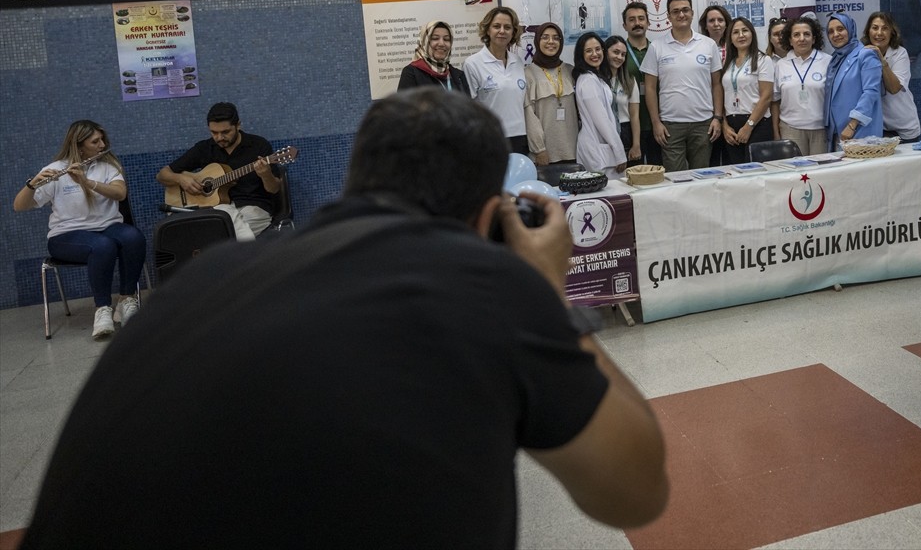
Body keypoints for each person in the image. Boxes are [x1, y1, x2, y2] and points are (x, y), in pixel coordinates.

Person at [19, 89, 669, 548]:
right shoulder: (488, 288)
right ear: (486, 213)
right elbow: (638, 495)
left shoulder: (203, 278)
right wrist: (545, 293)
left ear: (358, 179)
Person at [14, 120, 146, 340]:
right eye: (95, 141)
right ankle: (103, 309)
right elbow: (19, 206)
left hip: (107, 227)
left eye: (102, 139)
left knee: (133, 237)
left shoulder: (108, 166)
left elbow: (119, 193)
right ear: (79, 145)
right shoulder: (56, 169)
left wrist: (86, 182)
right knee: (103, 246)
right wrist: (32, 184)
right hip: (67, 236)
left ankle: (126, 300)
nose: (102, 145)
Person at [157, 102, 281, 241]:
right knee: (218, 223)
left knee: (219, 235)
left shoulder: (259, 145)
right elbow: (162, 174)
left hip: (253, 208)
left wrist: (265, 175)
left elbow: (274, 189)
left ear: (238, 125)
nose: (219, 137)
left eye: (225, 132)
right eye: (214, 133)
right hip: (214, 209)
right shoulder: (205, 148)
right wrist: (181, 179)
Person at [642, 0, 724, 172]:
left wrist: (717, 118)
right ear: (668, 16)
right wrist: (656, 122)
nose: (681, 15)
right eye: (676, 11)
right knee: (675, 180)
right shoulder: (657, 46)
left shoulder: (708, 44)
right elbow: (649, 88)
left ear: (692, 13)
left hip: (703, 124)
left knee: (701, 177)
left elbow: (717, 84)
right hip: (670, 126)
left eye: (685, 10)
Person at [465, 6, 528, 155]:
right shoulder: (473, 63)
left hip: (520, 137)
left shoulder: (518, 61)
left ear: (513, 32)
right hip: (491, 139)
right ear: (487, 30)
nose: (502, 31)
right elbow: (470, 109)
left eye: (507, 27)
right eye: (496, 26)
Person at [824, 12, 883, 150]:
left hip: (859, 130)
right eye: (831, 31)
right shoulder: (836, 59)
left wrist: (852, 125)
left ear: (850, 29)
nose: (836, 34)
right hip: (838, 131)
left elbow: (871, 92)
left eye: (840, 29)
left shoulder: (866, 54)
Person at [573, 32, 628, 179]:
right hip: (597, 149)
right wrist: (619, 152)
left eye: (598, 49)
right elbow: (601, 120)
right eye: (588, 51)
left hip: (602, 148)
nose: (595, 54)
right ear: (581, 55)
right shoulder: (588, 81)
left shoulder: (596, 78)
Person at [721, 17, 775, 163]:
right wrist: (724, 126)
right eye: (735, 32)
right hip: (731, 127)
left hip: (757, 124)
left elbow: (766, 97)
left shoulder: (763, 60)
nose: (741, 35)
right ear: (730, 38)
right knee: (735, 173)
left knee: (756, 175)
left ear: (752, 34)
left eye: (745, 30)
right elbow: (722, 96)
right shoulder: (727, 64)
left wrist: (748, 126)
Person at [774, 15, 831, 156]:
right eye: (796, 35)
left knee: (820, 172)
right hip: (790, 128)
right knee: (796, 175)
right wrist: (776, 131)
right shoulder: (781, 65)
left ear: (814, 38)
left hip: (821, 129)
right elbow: (774, 100)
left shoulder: (828, 61)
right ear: (790, 40)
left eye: (807, 34)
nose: (802, 38)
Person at [523, 22, 578, 166]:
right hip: (545, 155)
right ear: (537, 41)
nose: (551, 42)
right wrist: (539, 149)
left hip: (574, 150)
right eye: (545, 37)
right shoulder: (528, 74)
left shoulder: (570, 71)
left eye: (555, 38)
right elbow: (529, 116)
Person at [862, 11, 921, 141]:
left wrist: (882, 61)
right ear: (868, 32)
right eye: (875, 28)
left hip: (903, 128)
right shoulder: (863, 54)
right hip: (878, 128)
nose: (879, 33)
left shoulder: (900, 53)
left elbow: (894, 88)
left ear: (892, 33)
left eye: (885, 28)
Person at [622, 1, 661, 165]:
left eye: (641, 19)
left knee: (659, 172)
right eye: (631, 20)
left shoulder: (659, 50)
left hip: (658, 123)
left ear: (648, 23)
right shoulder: (619, 52)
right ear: (624, 25)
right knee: (633, 174)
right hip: (629, 125)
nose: (637, 23)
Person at [397, 19, 469, 93]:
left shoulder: (459, 75)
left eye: (446, 39)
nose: (441, 43)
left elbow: (468, 103)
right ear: (424, 41)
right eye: (435, 38)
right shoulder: (411, 73)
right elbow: (404, 104)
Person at [701, 5, 732, 164]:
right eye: (711, 20)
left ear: (727, 23)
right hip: (707, 113)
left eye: (720, 20)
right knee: (710, 160)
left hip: (732, 110)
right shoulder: (699, 47)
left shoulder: (735, 47)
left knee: (730, 160)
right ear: (705, 25)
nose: (716, 24)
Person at [604, 35, 642, 163]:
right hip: (605, 131)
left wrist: (636, 145)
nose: (619, 57)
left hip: (625, 131)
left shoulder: (630, 81)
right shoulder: (596, 80)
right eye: (615, 52)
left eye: (623, 54)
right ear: (605, 52)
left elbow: (635, 116)